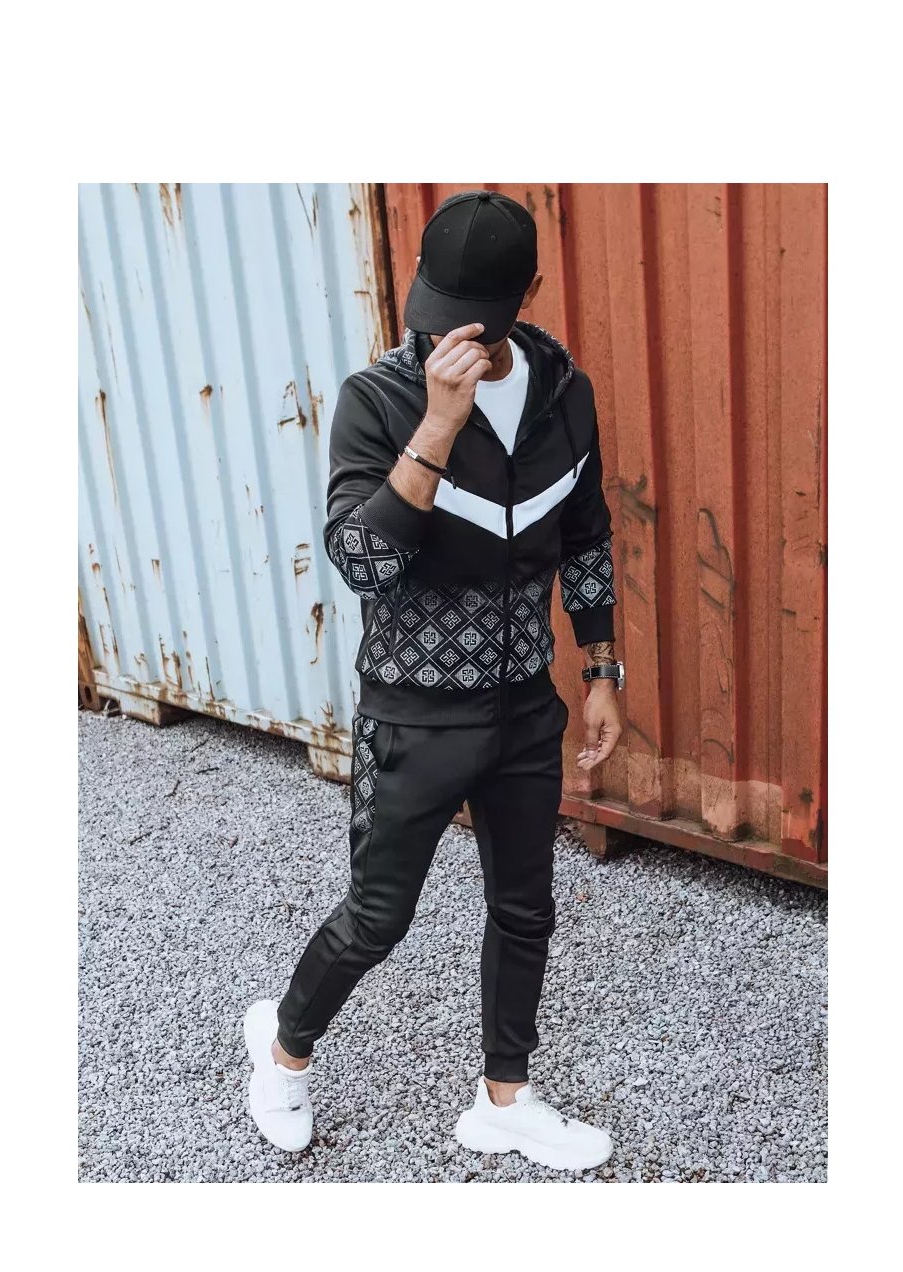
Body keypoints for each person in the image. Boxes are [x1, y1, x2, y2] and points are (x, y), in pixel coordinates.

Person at [244, 190, 624, 1171]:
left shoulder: (565, 396)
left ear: (526, 296)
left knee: (526, 908)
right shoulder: (378, 400)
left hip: (524, 706)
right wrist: (439, 429)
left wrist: (601, 668)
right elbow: (362, 563)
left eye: (475, 320)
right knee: (378, 917)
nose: (449, 339)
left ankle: (506, 1100)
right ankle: (282, 1052)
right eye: (436, 314)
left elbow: (586, 538)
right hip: (413, 715)